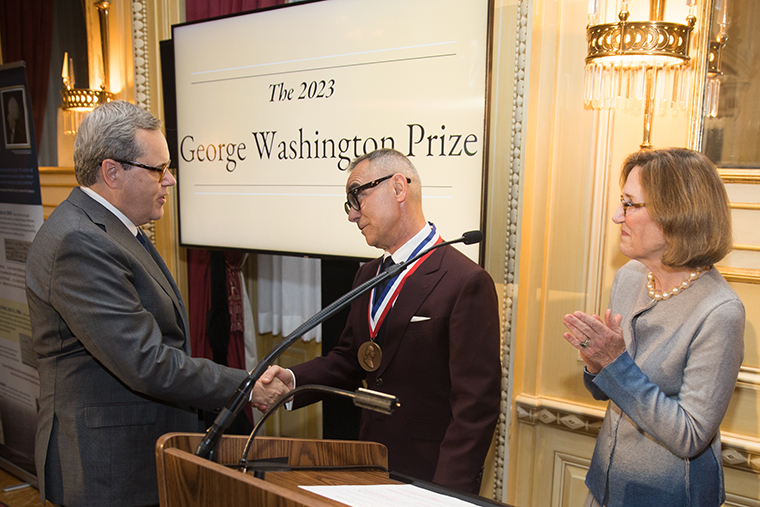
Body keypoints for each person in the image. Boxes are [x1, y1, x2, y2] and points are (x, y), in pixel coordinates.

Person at [25, 100, 287, 507]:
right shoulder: (79, 240)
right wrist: (247, 386)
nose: (170, 181)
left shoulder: (116, 229)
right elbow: (145, 361)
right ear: (112, 172)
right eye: (158, 169)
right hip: (106, 470)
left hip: (131, 457)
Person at [258, 148, 501, 494]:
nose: (352, 215)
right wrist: (293, 380)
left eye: (358, 195)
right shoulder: (366, 275)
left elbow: (476, 405)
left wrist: (447, 494)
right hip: (369, 464)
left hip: (431, 476)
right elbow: (348, 358)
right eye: (349, 203)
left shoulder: (464, 280)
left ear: (399, 188)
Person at [562, 147, 745, 507]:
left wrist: (615, 363)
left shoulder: (720, 312)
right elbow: (611, 391)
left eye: (631, 204)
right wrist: (597, 361)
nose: (617, 216)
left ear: (675, 214)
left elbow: (690, 436)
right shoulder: (630, 277)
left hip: (669, 496)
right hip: (606, 485)